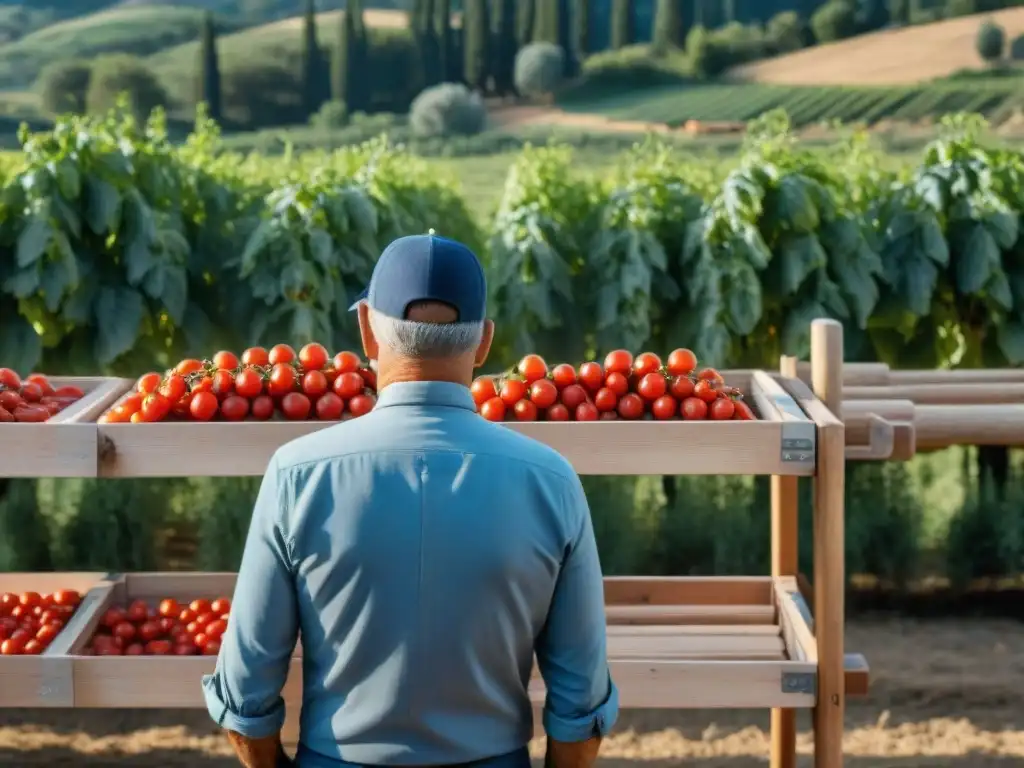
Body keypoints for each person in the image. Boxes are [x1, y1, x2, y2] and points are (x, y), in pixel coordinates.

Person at [202, 233, 618, 768]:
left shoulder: (296, 474)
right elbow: (581, 705)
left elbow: (245, 698)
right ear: (485, 341)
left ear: (367, 333)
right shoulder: (550, 480)